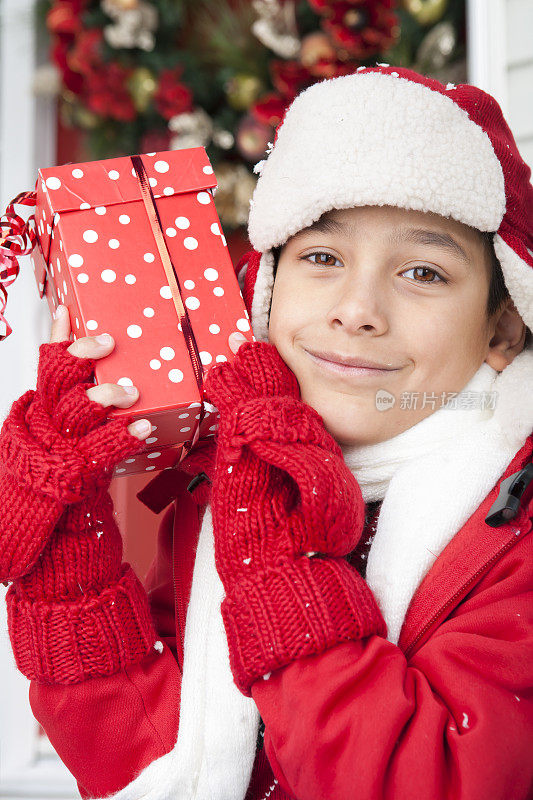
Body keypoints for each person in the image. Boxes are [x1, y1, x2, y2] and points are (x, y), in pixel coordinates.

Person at [1, 65, 532, 800]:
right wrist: (72, 566)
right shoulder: (225, 482)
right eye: (320, 257)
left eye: (422, 272)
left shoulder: (514, 530)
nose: (356, 309)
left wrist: (281, 564)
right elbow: (145, 763)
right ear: (268, 291)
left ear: (502, 328)